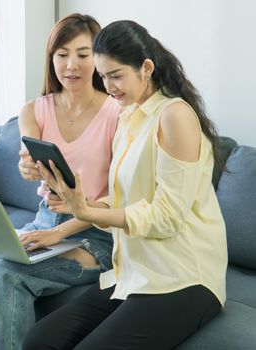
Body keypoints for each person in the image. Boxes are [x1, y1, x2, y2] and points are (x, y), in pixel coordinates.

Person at [24, 20, 228, 350]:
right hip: (134, 271)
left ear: (146, 68)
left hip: (183, 278)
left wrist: (91, 212)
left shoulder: (174, 115)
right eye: (102, 76)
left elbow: (167, 217)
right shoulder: (129, 114)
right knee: (39, 340)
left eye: (116, 75)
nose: (108, 85)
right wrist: (82, 205)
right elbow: (122, 198)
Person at [0, 13, 121, 350]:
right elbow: (30, 156)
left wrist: (59, 232)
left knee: (5, 275)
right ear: (51, 58)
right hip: (45, 220)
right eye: (62, 55)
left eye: (83, 55)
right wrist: (27, 166)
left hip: (96, 236)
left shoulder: (118, 114)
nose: (71, 65)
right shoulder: (35, 109)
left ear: (98, 59)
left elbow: (121, 199)